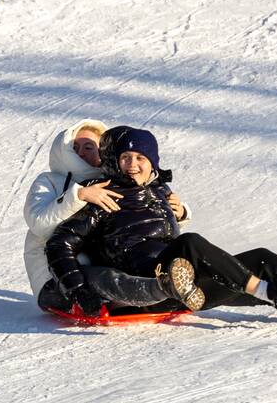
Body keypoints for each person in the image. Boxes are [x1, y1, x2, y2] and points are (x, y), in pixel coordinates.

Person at [45, 125, 277, 321]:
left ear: (153, 162)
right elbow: (59, 244)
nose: (133, 164)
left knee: (259, 258)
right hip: (151, 284)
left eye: (140, 158)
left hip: (188, 289)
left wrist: (177, 210)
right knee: (190, 243)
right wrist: (78, 291)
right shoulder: (103, 195)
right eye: (125, 158)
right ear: (114, 163)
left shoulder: (162, 195)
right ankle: (276, 294)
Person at [23, 120, 191, 313]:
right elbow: (39, 224)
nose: (81, 153)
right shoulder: (50, 182)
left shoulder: (115, 181)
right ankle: (161, 291)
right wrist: (79, 196)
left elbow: (138, 226)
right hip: (55, 277)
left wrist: (180, 212)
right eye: (74, 147)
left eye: (89, 147)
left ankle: (162, 291)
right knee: (103, 278)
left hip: (103, 270)